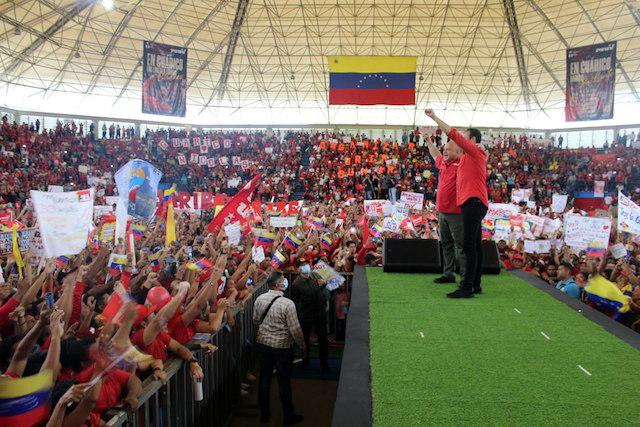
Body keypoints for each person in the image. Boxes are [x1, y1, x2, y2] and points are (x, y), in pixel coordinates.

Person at [425, 108, 488, 298]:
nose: (460, 139)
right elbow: (438, 153)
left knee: (467, 246)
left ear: (474, 141)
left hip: (472, 203)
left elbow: (452, 133)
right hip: (471, 203)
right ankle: (474, 284)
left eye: (464, 137)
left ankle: (466, 286)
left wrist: (435, 117)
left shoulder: (473, 153)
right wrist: (428, 140)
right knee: (474, 245)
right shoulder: (465, 160)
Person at [253, 271, 305, 426]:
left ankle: (264, 414)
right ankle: (288, 416)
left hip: (263, 344)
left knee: (264, 379)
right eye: (283, 280)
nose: (285, 282)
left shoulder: (259, 299)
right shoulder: (288, 304)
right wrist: (303, 346)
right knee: (284, 383)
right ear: (277, 284)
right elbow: (295, 330)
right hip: (282, 348)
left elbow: (256, 321)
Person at [425, 137, 465, 285]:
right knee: (446, 244)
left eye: (449, 150)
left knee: (460, 246)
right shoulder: (443, 163)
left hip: (457, 213)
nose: (445, 152)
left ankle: (465, 277)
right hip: (442, 212)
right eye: (444, 150)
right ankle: (448, 274)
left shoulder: (462, 164)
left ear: (458, 152)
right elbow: (435, 153)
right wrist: (427, 139)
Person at [291, 264, 329, 372]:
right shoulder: (296, 283)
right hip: (306, 314)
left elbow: (323, 284)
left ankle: (324, 364)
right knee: (305, 339)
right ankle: (305, 361)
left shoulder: (314, 275)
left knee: (323, 339)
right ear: (299, 271)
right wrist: (301, 313)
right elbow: (297, 300)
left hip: (319, 312)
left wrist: (324, 283)